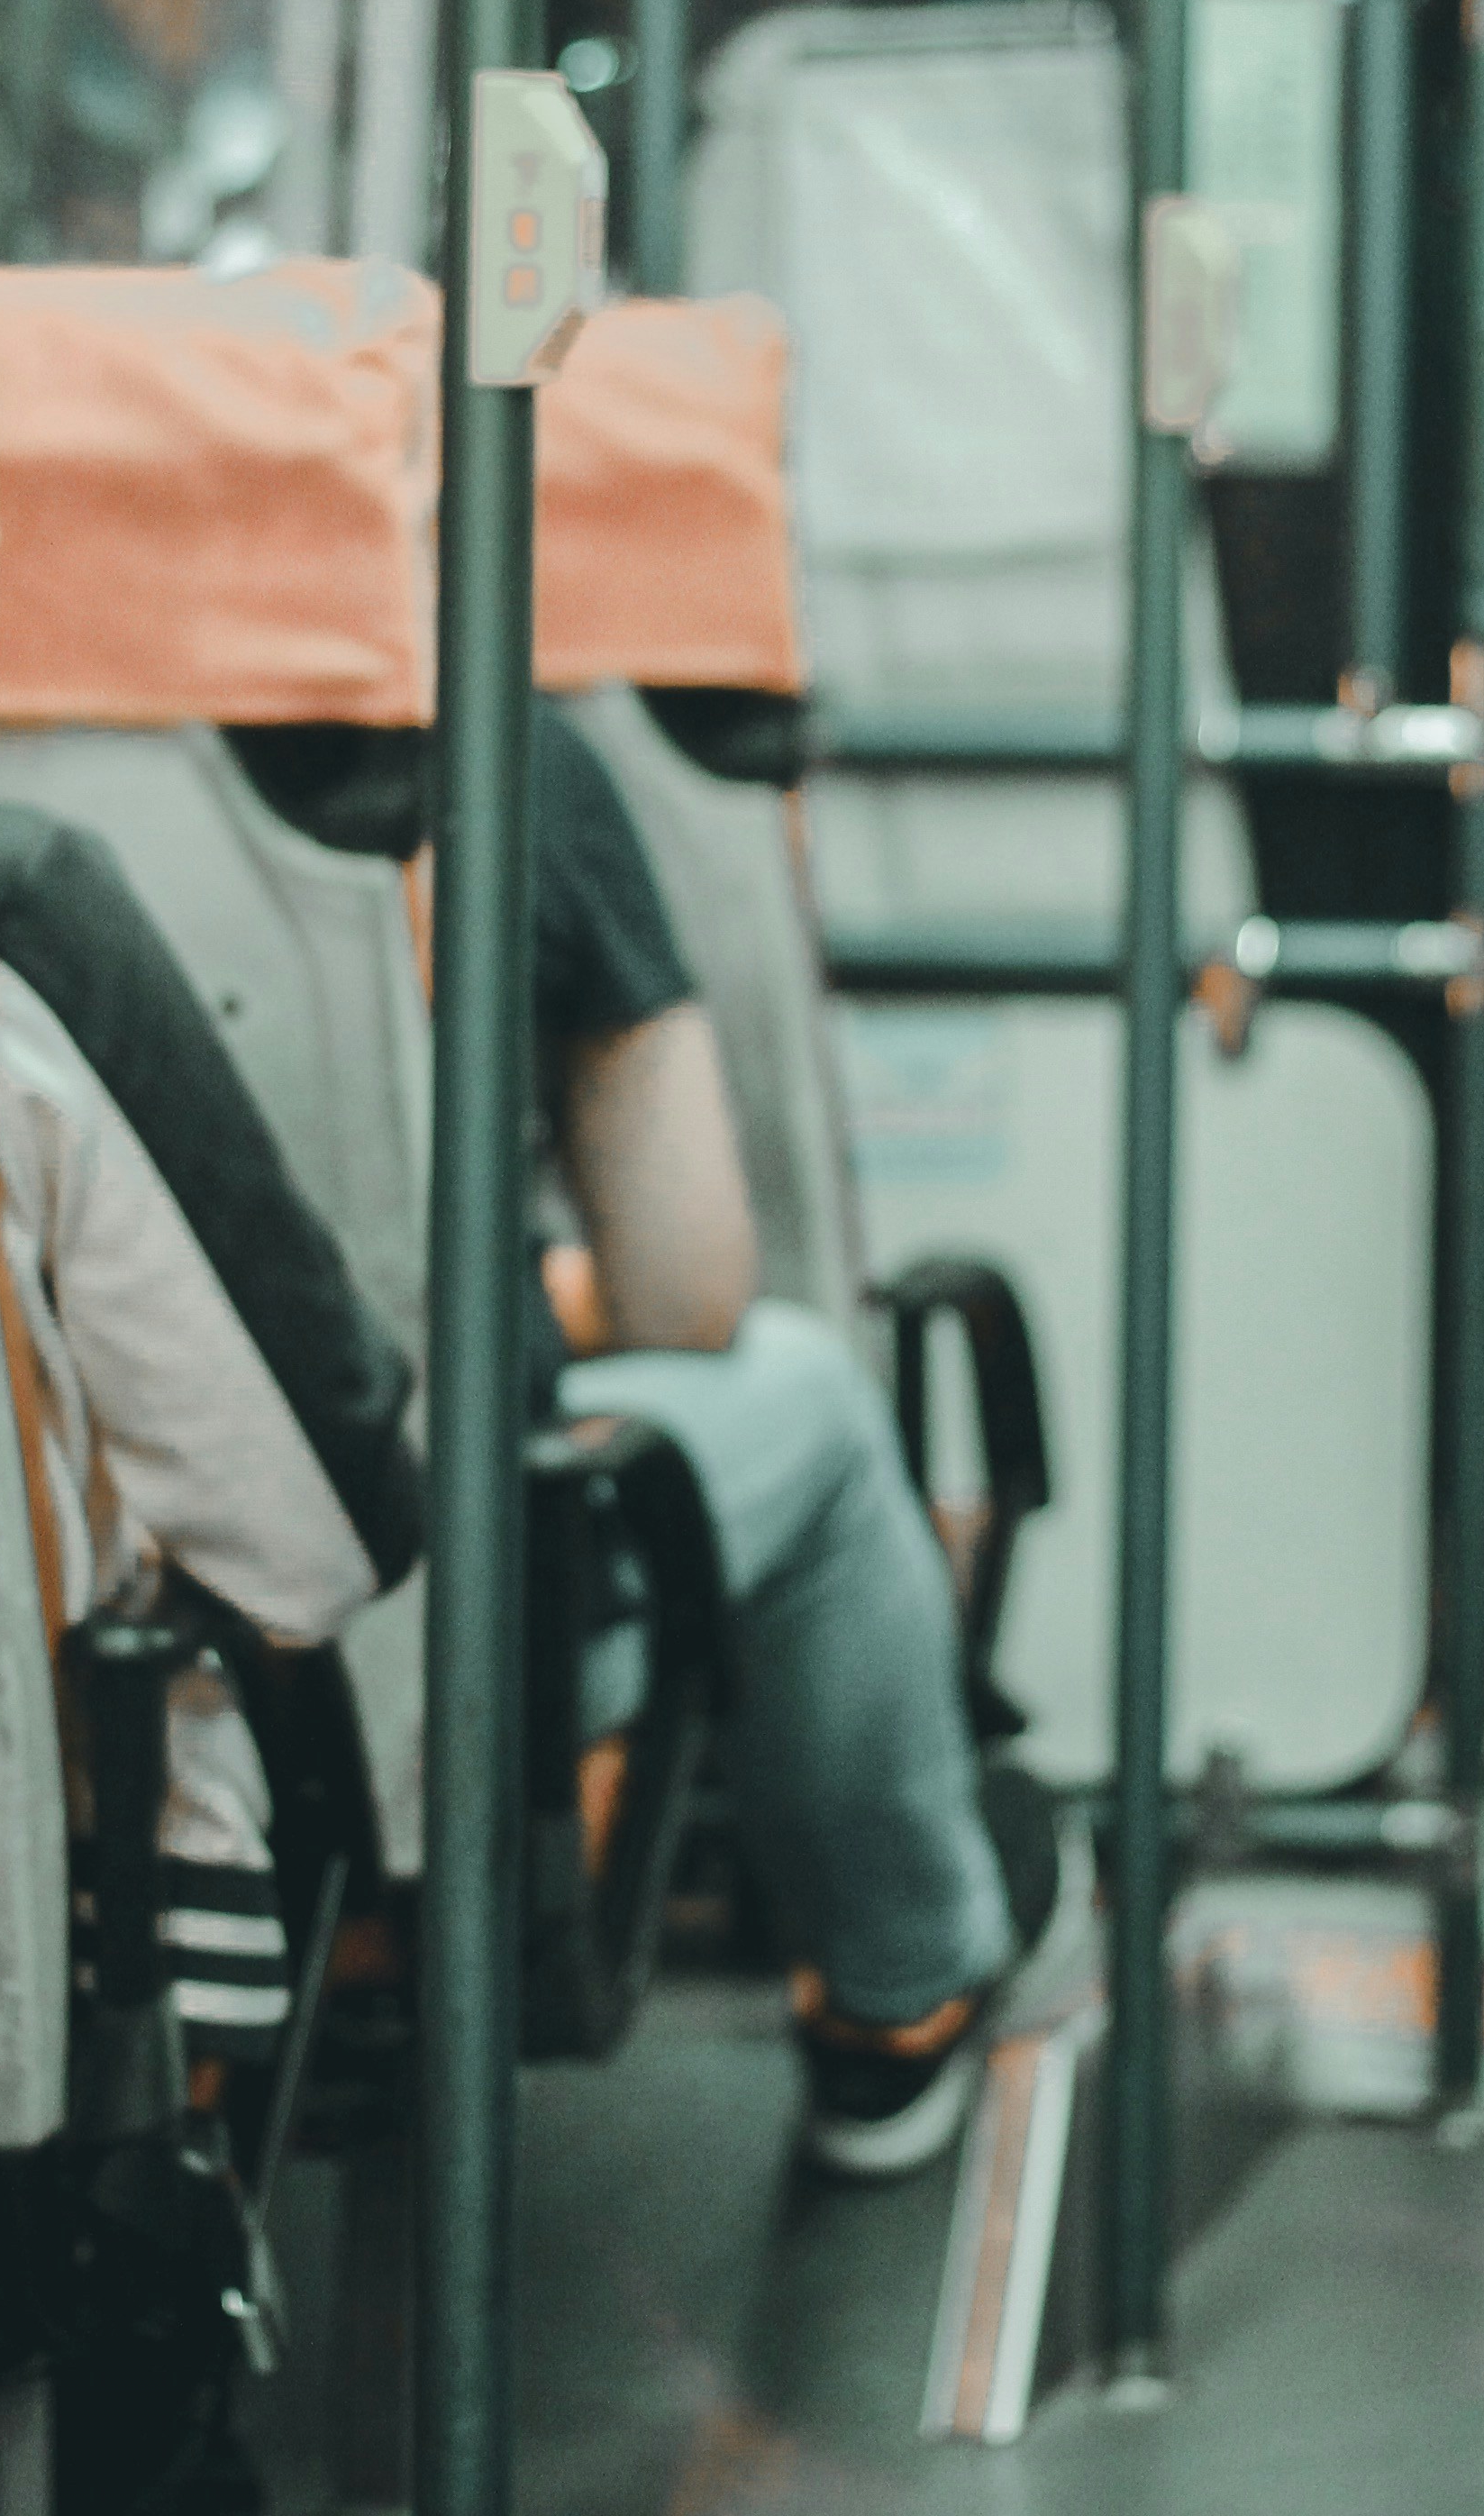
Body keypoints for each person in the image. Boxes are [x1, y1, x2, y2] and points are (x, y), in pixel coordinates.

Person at [523, 698, 1050, 2176]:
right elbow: (688, 1287)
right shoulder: (512, 765)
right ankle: (896, 1989)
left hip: (58, 1633)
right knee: (809, 1396)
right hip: (429, 1603)